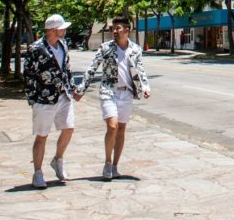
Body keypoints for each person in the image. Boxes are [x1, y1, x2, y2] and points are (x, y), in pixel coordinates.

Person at [77, 16, 151, 181]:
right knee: (112, 126)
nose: (114, 31)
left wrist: (145, 87)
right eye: (112, 29)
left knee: (121, 129)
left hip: (126, 93)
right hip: (108, 91)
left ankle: (115, 165)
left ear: (126, 30)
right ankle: (107, 162)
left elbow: (140, 70)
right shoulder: (105, 48)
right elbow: (92, 68)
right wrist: (81, 89)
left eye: (117, 28)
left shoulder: (135, 49)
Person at [23, 14, 81, 189]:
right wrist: (33, 98)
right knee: (42, 136)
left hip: (63, 96)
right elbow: (28, 74)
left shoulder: (63, 45)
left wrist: (72, 88)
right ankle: (38, 172)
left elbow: (67, 70)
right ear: (54, 30)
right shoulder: (36, 48)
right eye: (62, 28)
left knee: (69, 128)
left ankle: (58, 159)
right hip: (44, 99)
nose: (65, 30)